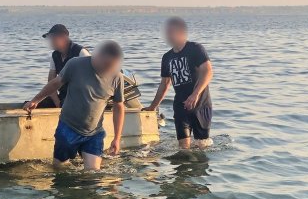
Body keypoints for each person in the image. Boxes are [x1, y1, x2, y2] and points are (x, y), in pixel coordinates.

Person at [24, 40, 125, 170]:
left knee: (93, 175)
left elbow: (119, 107)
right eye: (105, 64)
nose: (107, 69)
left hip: (94, 133)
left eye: (111, 66)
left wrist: (117, 138)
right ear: (97, 56)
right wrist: (36, 100)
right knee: (59, 168)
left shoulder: (117, 77)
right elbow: (56, 83)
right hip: (68, 128)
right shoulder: (75, 64)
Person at [144, 17, 213, 149]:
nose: (169, 36)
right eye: (167, 33)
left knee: (202, 146)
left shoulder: (195, 49)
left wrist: (195, 94)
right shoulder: (167, 57)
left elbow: (208, 72)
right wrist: (153, 107)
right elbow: (164, 84)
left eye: (172, 32)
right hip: (181, 106)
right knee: (183, 149)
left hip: (201, 105)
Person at [39, 24, 90, 108]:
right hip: (63, 96)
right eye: (50, 38)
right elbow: (51, 80)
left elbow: (94, 78)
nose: (51, 41)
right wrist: (57, 102)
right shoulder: (55, 55)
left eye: (53, 38)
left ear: (64, 38)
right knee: (38, 104)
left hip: (81, 98)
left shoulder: (81, 52)